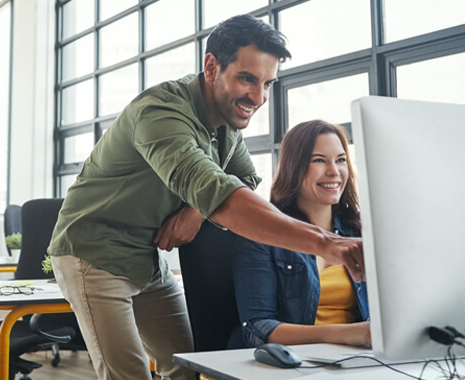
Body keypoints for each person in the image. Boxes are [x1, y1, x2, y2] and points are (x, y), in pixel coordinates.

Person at [48, 15, 364, 380]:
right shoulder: (162, 113)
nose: (259, 97)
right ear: (211, 66)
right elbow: (222, 194)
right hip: (92, 253)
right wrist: (325, 243)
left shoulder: (226, 127)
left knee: (186, 368)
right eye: (247, 79)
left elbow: (243, 177)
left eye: (267, 83)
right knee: (128, 374)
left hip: (146, 260)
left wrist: (195, 212)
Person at [228, 120, 370, 349]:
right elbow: (258, 328)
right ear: (294, 167)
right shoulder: (262, 235)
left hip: (356, 359)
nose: (334, 171)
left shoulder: (362, 230)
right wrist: (349, 333)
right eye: (319, 160)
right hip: (290, 363)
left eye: (341, 160)